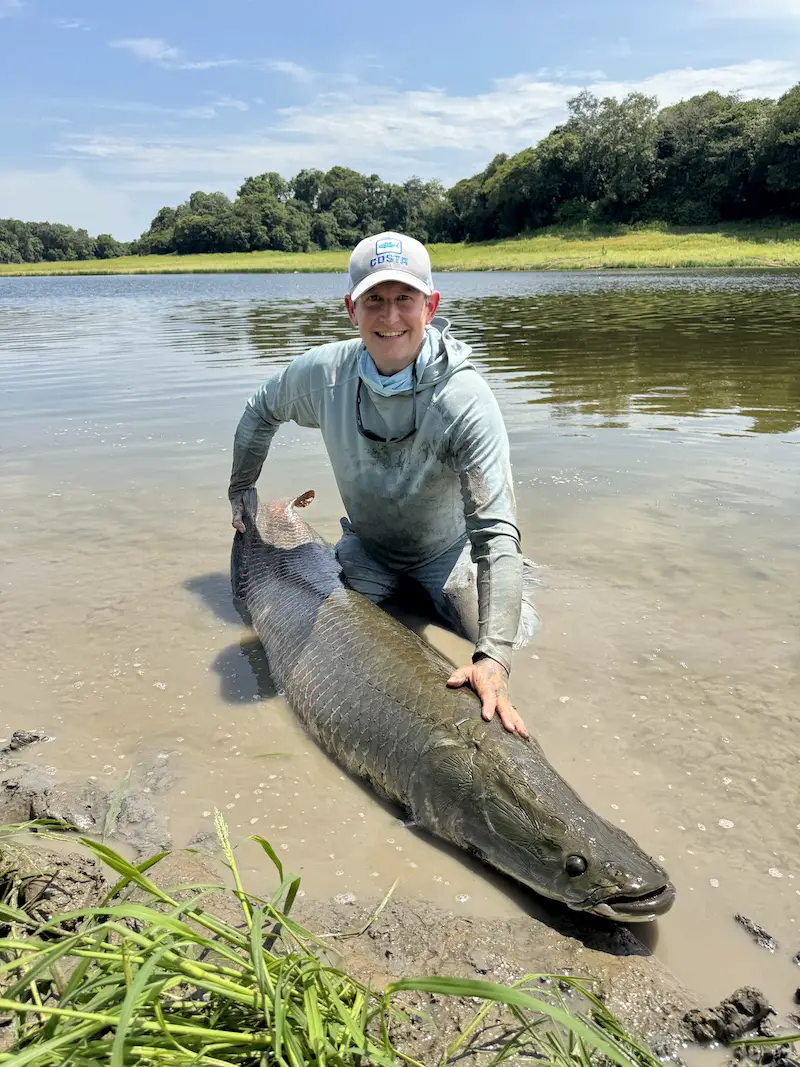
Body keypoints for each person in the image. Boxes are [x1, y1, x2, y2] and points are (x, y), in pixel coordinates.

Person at [229, 231, 538, 736]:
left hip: (450, 552)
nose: (390, 317)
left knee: (515, 635)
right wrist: (241, 488)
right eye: (374, 300)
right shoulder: (323, 376)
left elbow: (495, 533)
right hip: (368, 552)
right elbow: (258, 411)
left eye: (404, 299)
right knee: (334, 644)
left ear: (430, 305)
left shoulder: (465, 399)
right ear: (352, 309)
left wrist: (494, 660)